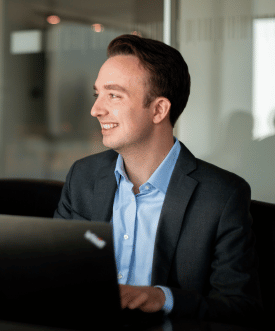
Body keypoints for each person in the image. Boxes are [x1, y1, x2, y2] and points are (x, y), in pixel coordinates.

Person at [54, 35, 262, 322]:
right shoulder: (83, 176)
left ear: (159, 110)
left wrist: (162, 298)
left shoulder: (222, 195)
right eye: (97, 94)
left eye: (113, 95)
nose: (96, 109)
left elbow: (241, 308)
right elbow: (54, 272)